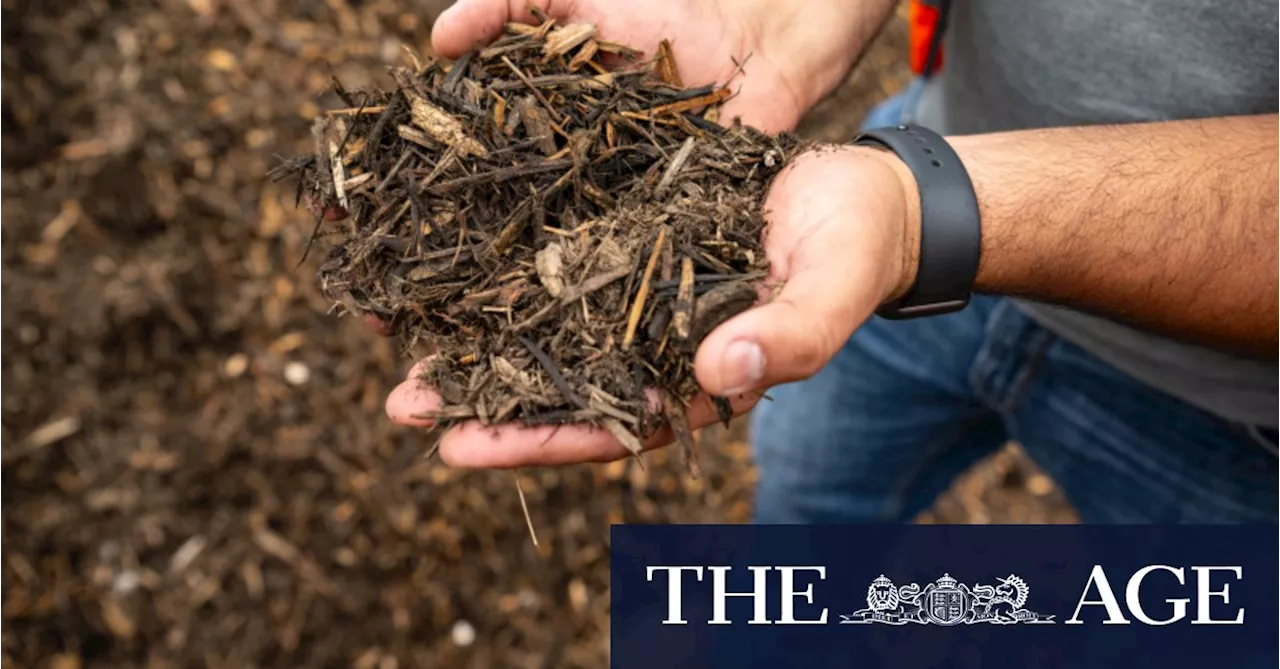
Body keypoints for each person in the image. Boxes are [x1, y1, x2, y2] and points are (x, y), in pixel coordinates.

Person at [385, 0, 1280, 522]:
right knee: (809, 517)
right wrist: (778, 18)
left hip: (1227, 407)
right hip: (920, 180)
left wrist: (916, 214)